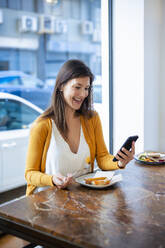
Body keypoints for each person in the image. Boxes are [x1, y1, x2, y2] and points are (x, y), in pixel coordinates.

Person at [25, 59, 135, 196]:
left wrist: (119, 162)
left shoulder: (92, 119)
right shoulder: (42, 125)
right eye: (77, 87)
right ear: (61, 86)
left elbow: (102, 158)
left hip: (82, 198)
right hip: (48, 201)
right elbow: (30, 174)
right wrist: (51, 179)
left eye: (86, 88)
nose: (83, 94)